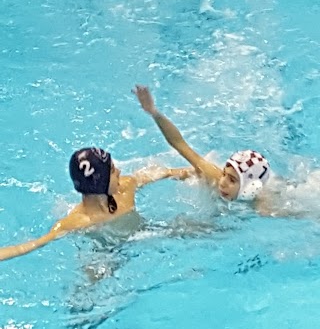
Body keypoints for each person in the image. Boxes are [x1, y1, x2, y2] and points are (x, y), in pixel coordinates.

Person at [0, 147, 190, 262]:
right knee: (90, 285)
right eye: (114, 171)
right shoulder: (76, 222)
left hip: (144, 231)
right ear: (100, 182)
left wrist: (188, 172)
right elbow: (33, 244)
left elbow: (158, 173)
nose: (120, 172)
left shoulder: (125, 187)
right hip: (104, 251)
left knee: (192, 229)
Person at [133, 85, 271, 204]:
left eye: (232, 180)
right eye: (225, 174)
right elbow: (179, 144)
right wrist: (154, 112)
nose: (223, 182)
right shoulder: (216, 179)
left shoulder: (265, 207)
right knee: (194, 173)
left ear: (250, 188)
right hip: (203, 181)